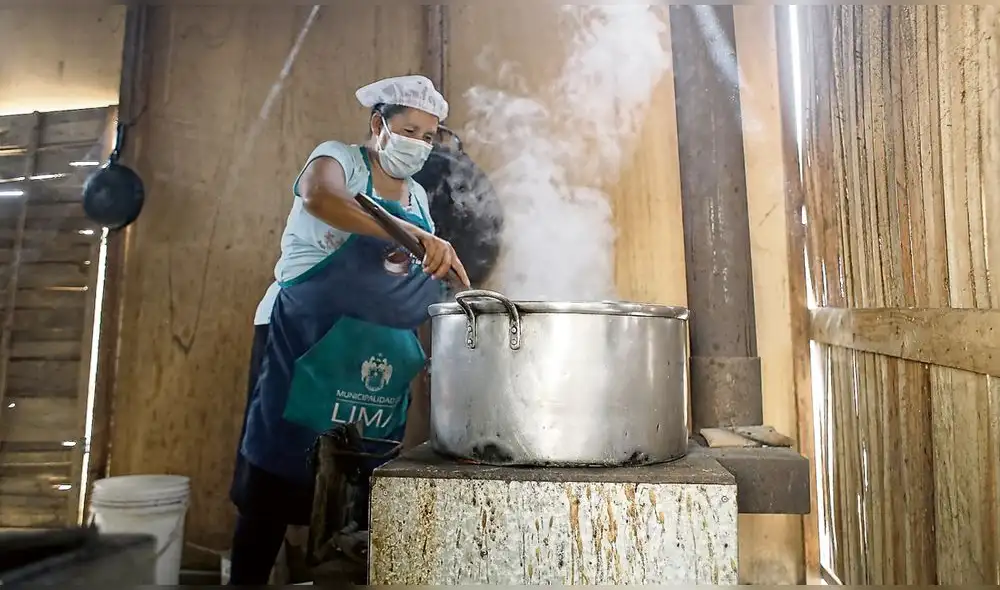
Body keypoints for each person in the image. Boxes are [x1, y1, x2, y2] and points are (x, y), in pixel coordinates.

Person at [227, 75, 470, 585]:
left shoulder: (419, 195)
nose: (420, 145)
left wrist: (450, 286)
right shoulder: (339, 159)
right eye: (409, 130)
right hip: (303, 338)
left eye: (429, 136)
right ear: (378, 124)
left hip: (371, 353)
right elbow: (321, 199)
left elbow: (412, 272)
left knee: (360, 481)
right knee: (277, 475)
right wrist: (409, 232)